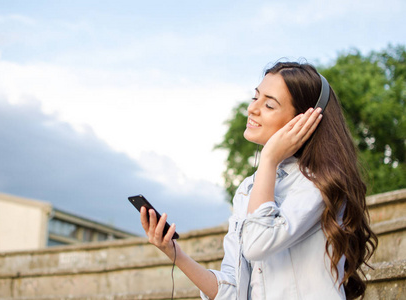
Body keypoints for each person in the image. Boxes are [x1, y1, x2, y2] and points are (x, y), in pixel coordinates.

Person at [140, 61, 378, 299]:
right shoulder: (247, 189)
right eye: (255, 98)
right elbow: (233, 291)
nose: (252, 109)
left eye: (269, 105)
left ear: (304, 120)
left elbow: (257, 243)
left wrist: (269, 159)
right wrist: (174, 253)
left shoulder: (319, 185)